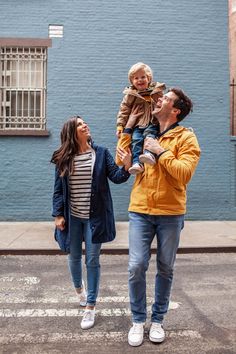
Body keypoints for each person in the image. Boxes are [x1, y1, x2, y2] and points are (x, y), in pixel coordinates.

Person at [116, 87, 201, 346]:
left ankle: (158, 321)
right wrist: (126, 157)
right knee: (135, 266)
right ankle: (138, 320)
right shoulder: (147, 130)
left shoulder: (186, 138)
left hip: (170, 212)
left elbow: (184, 173)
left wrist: (160, 151)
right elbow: (123, 160)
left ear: (175, 110)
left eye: (165, 98)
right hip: (140, 209)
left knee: (165, 268)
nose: (159, 99)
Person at [51, 116, 131, 330]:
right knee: (73, 257)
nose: (85, 125)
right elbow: (58, 190)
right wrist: (58, 215)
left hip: (95, 218)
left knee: (92, 260)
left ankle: (91, 306)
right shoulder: (63, 158)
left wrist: (126, 166)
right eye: (79, 124)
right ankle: (80, 290)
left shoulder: (101, 153)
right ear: (71, 132)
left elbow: (116, 177)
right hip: (72, 218)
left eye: (84, 122)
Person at [116, 62, 166, 175]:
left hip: (153, 122)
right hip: (138, 124)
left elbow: (164, 104)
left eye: (143, 77)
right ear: (132, 81)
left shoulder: (157, 91)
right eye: (136, 78)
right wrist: (120, 126)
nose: (140, 80)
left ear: (149, 78)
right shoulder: (131, 95)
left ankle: (148, 154)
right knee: (136, 140)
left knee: (150, 136)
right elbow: (124, 110)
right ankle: (136, 163)